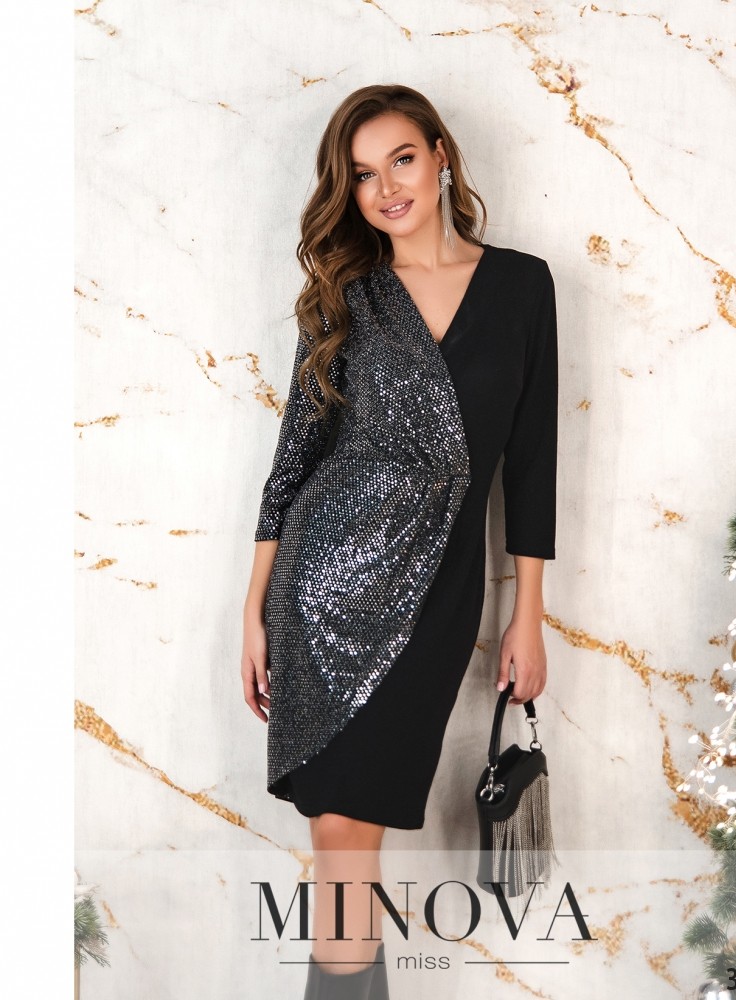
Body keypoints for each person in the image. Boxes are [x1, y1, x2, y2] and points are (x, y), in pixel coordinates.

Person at [241, 83, 558, 999]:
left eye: (402, 159)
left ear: (441, 156)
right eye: (363, 174)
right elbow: (294, 459)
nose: (386, 188)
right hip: (320, 589)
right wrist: (252, 608)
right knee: (340, 841)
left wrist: (528, 614)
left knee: (351, 842)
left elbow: (531, 461)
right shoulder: (347, 295)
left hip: (437, 598)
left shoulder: (522, 285)